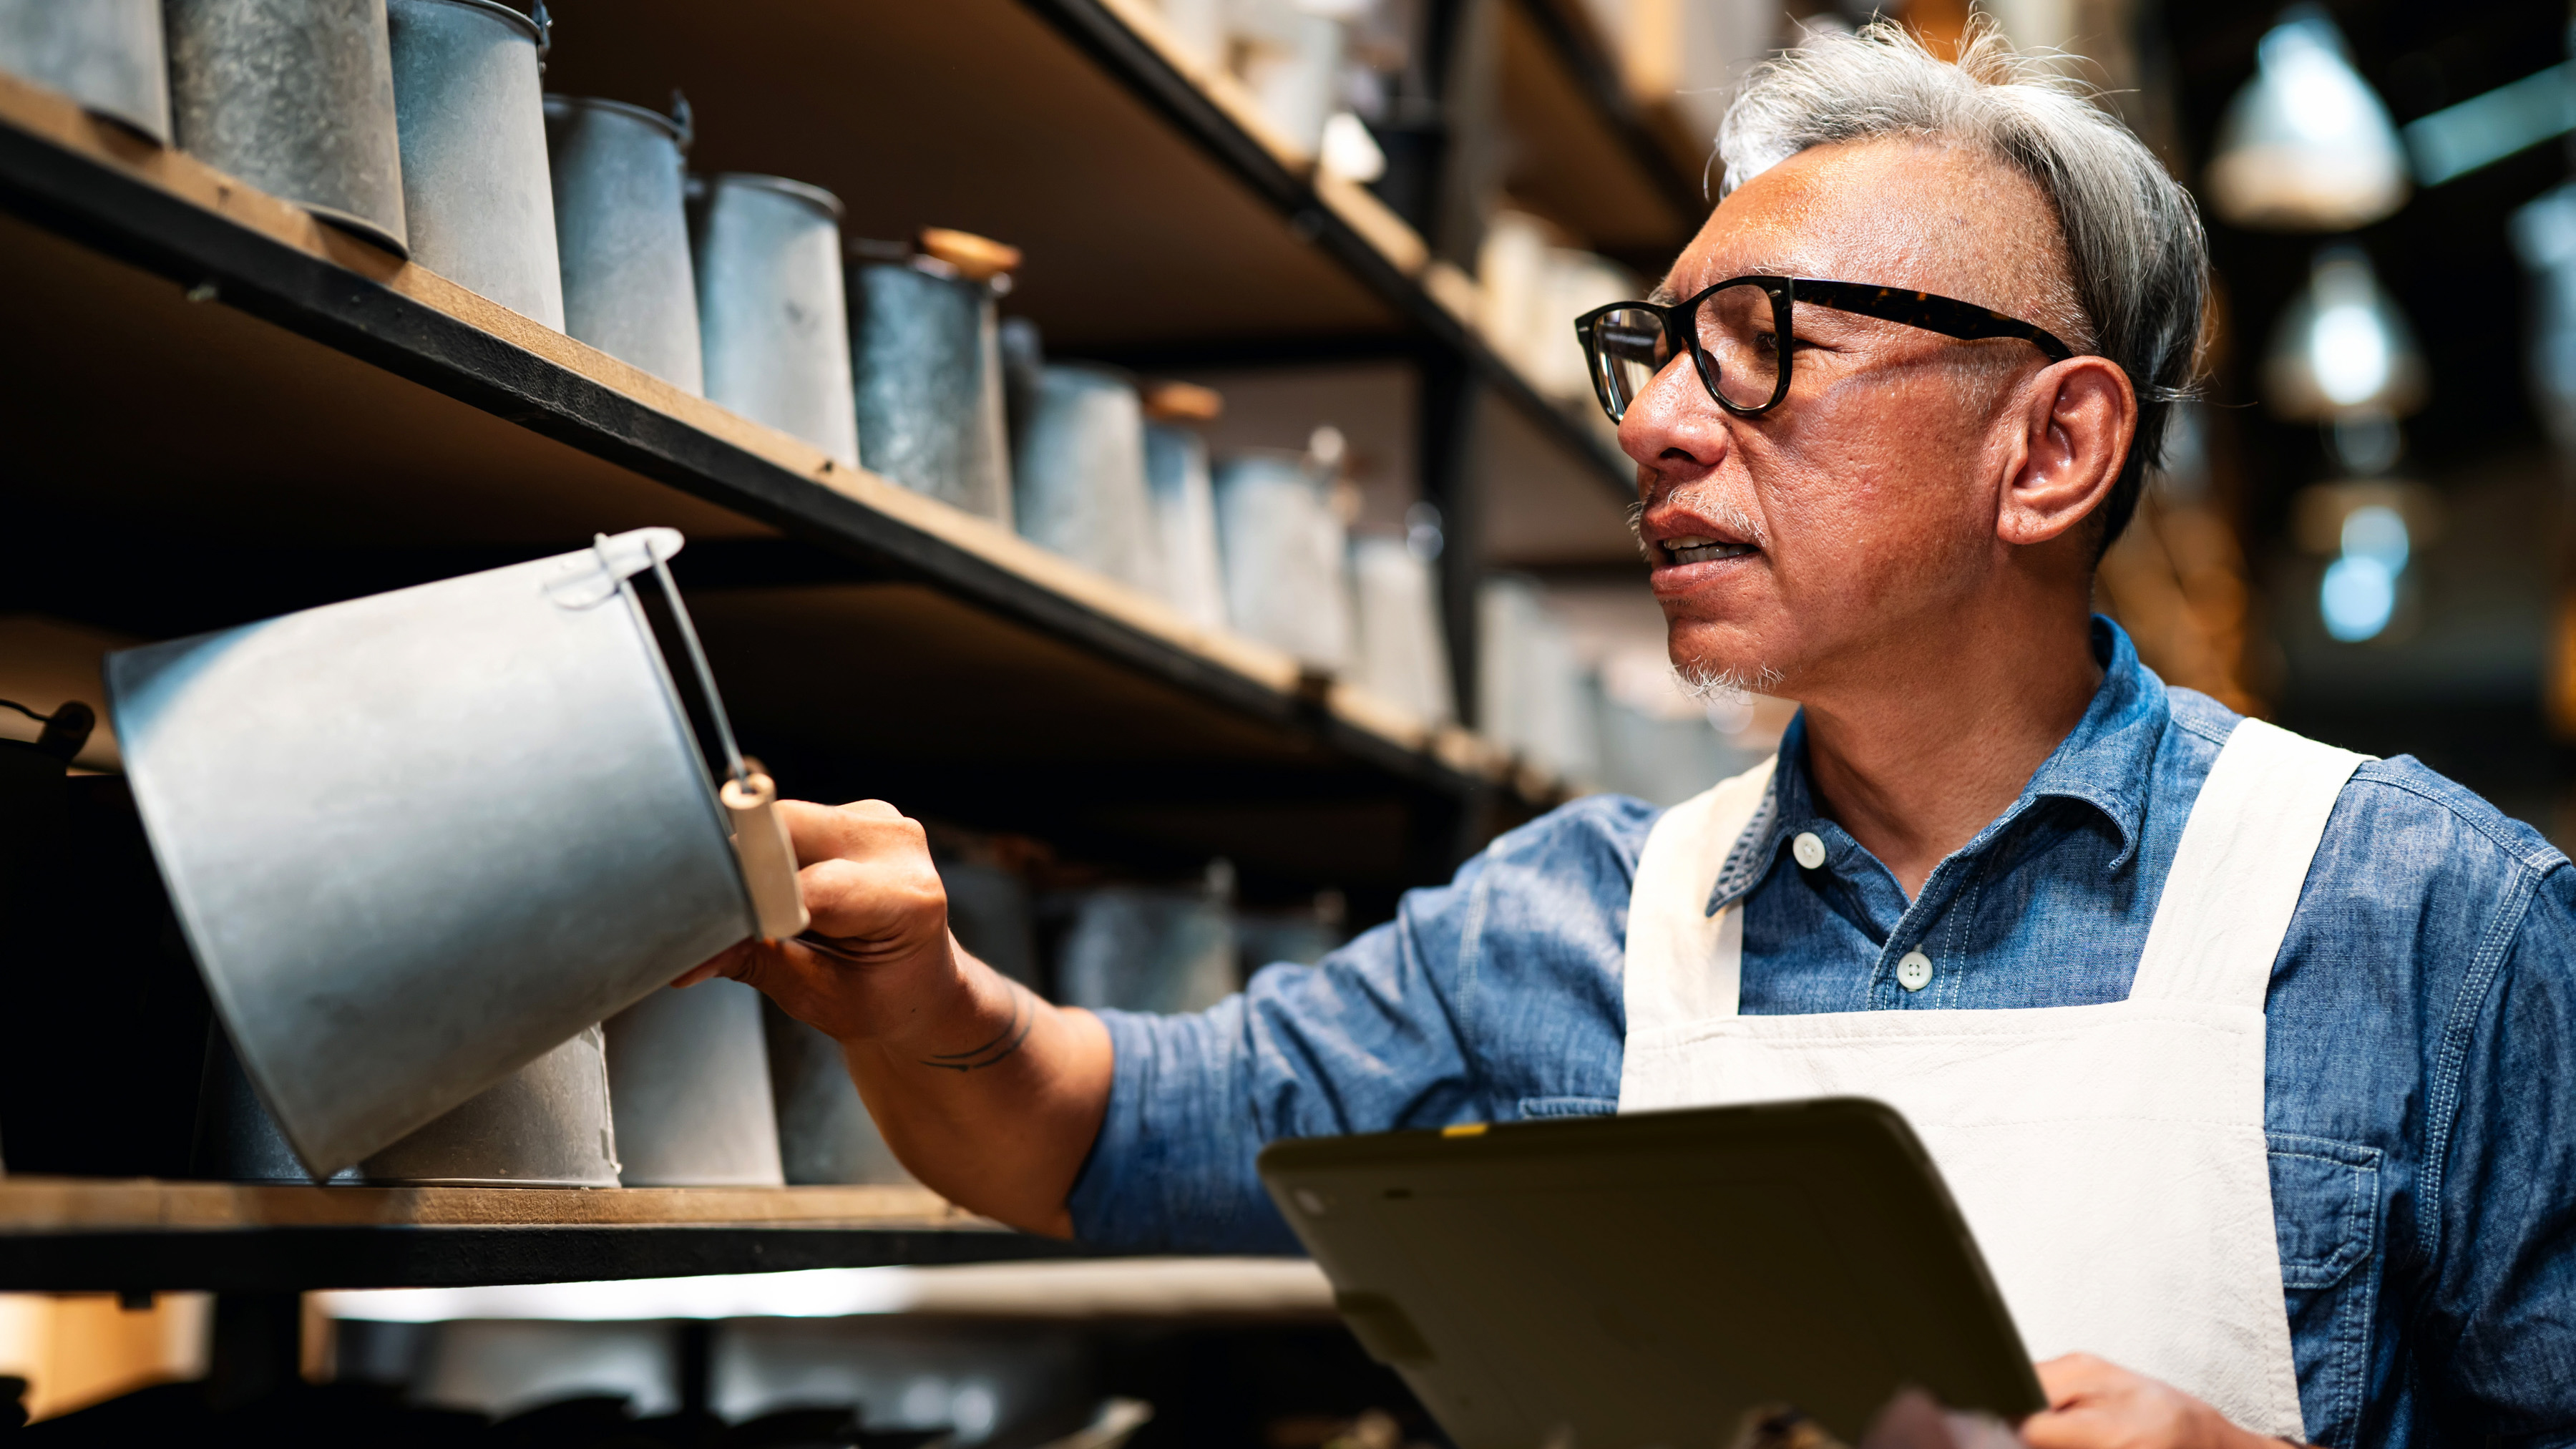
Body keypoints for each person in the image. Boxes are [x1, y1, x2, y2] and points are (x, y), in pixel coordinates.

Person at [683, 22, 2576, 1449]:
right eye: (1654, 352)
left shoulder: (2428, 922)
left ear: (2054, 445)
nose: (1661, 423)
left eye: (1759, 343)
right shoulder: (1572, 919)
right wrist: (930, 999)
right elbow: (1087, 1137)